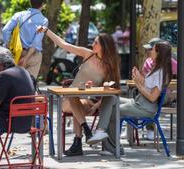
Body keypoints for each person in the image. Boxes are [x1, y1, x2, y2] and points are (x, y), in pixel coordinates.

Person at [37, 26, 121, 156]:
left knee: (78, 103)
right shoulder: (88, 54)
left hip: (87, 101)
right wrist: (47, 31)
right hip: (67, 101)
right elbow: (64, 44)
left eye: (96, 42)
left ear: (104, 46)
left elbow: (112, 89)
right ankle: (87, 131)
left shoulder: (108, 66)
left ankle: (78, 143)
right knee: (72, 95)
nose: (92, 44)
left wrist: (98, 104)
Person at [91, 42, 173, 156]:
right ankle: (101, 131)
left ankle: (113, 147)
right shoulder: (156, 68)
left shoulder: (160, 72)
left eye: (153, 50)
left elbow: (152, 97)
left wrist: (138, 84)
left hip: (145, 107)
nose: (151, 51)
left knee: (114, 111)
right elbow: (149, 86)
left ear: (159, 53)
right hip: (139, 102)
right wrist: (139, 78)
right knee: (109, 98)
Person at [141, 38, 177, 140]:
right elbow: (143, 76)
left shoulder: (170, 62)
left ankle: (149, 129)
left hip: (165, 95)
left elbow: (180, 72)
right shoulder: (148, 62)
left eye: (150, 49)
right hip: (152, 94)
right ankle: (146, 127)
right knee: (148, 99)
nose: (148, 51)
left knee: (149, 100)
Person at [2, 0, 48, 78]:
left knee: (13, 80)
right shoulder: (44, 20)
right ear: (43, 4)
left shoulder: (19, 15)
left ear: (30, 2)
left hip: (16, 54)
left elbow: (5, 30)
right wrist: (26, 58)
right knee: (30, 83)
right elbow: (36, 41)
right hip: (33, 55)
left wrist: (10, 46)